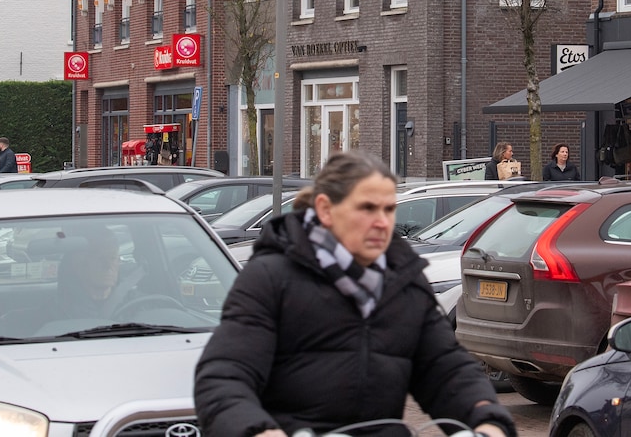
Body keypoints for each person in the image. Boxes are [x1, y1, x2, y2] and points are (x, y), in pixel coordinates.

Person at [195, 151, 516, 437]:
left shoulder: (404, 282)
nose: (382, 222)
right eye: (367, 208)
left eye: (389, 209)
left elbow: (445, 369)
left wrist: (485, 419)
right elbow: (224, 377)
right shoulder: (271, 277)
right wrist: (258, 430)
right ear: (325, 209)